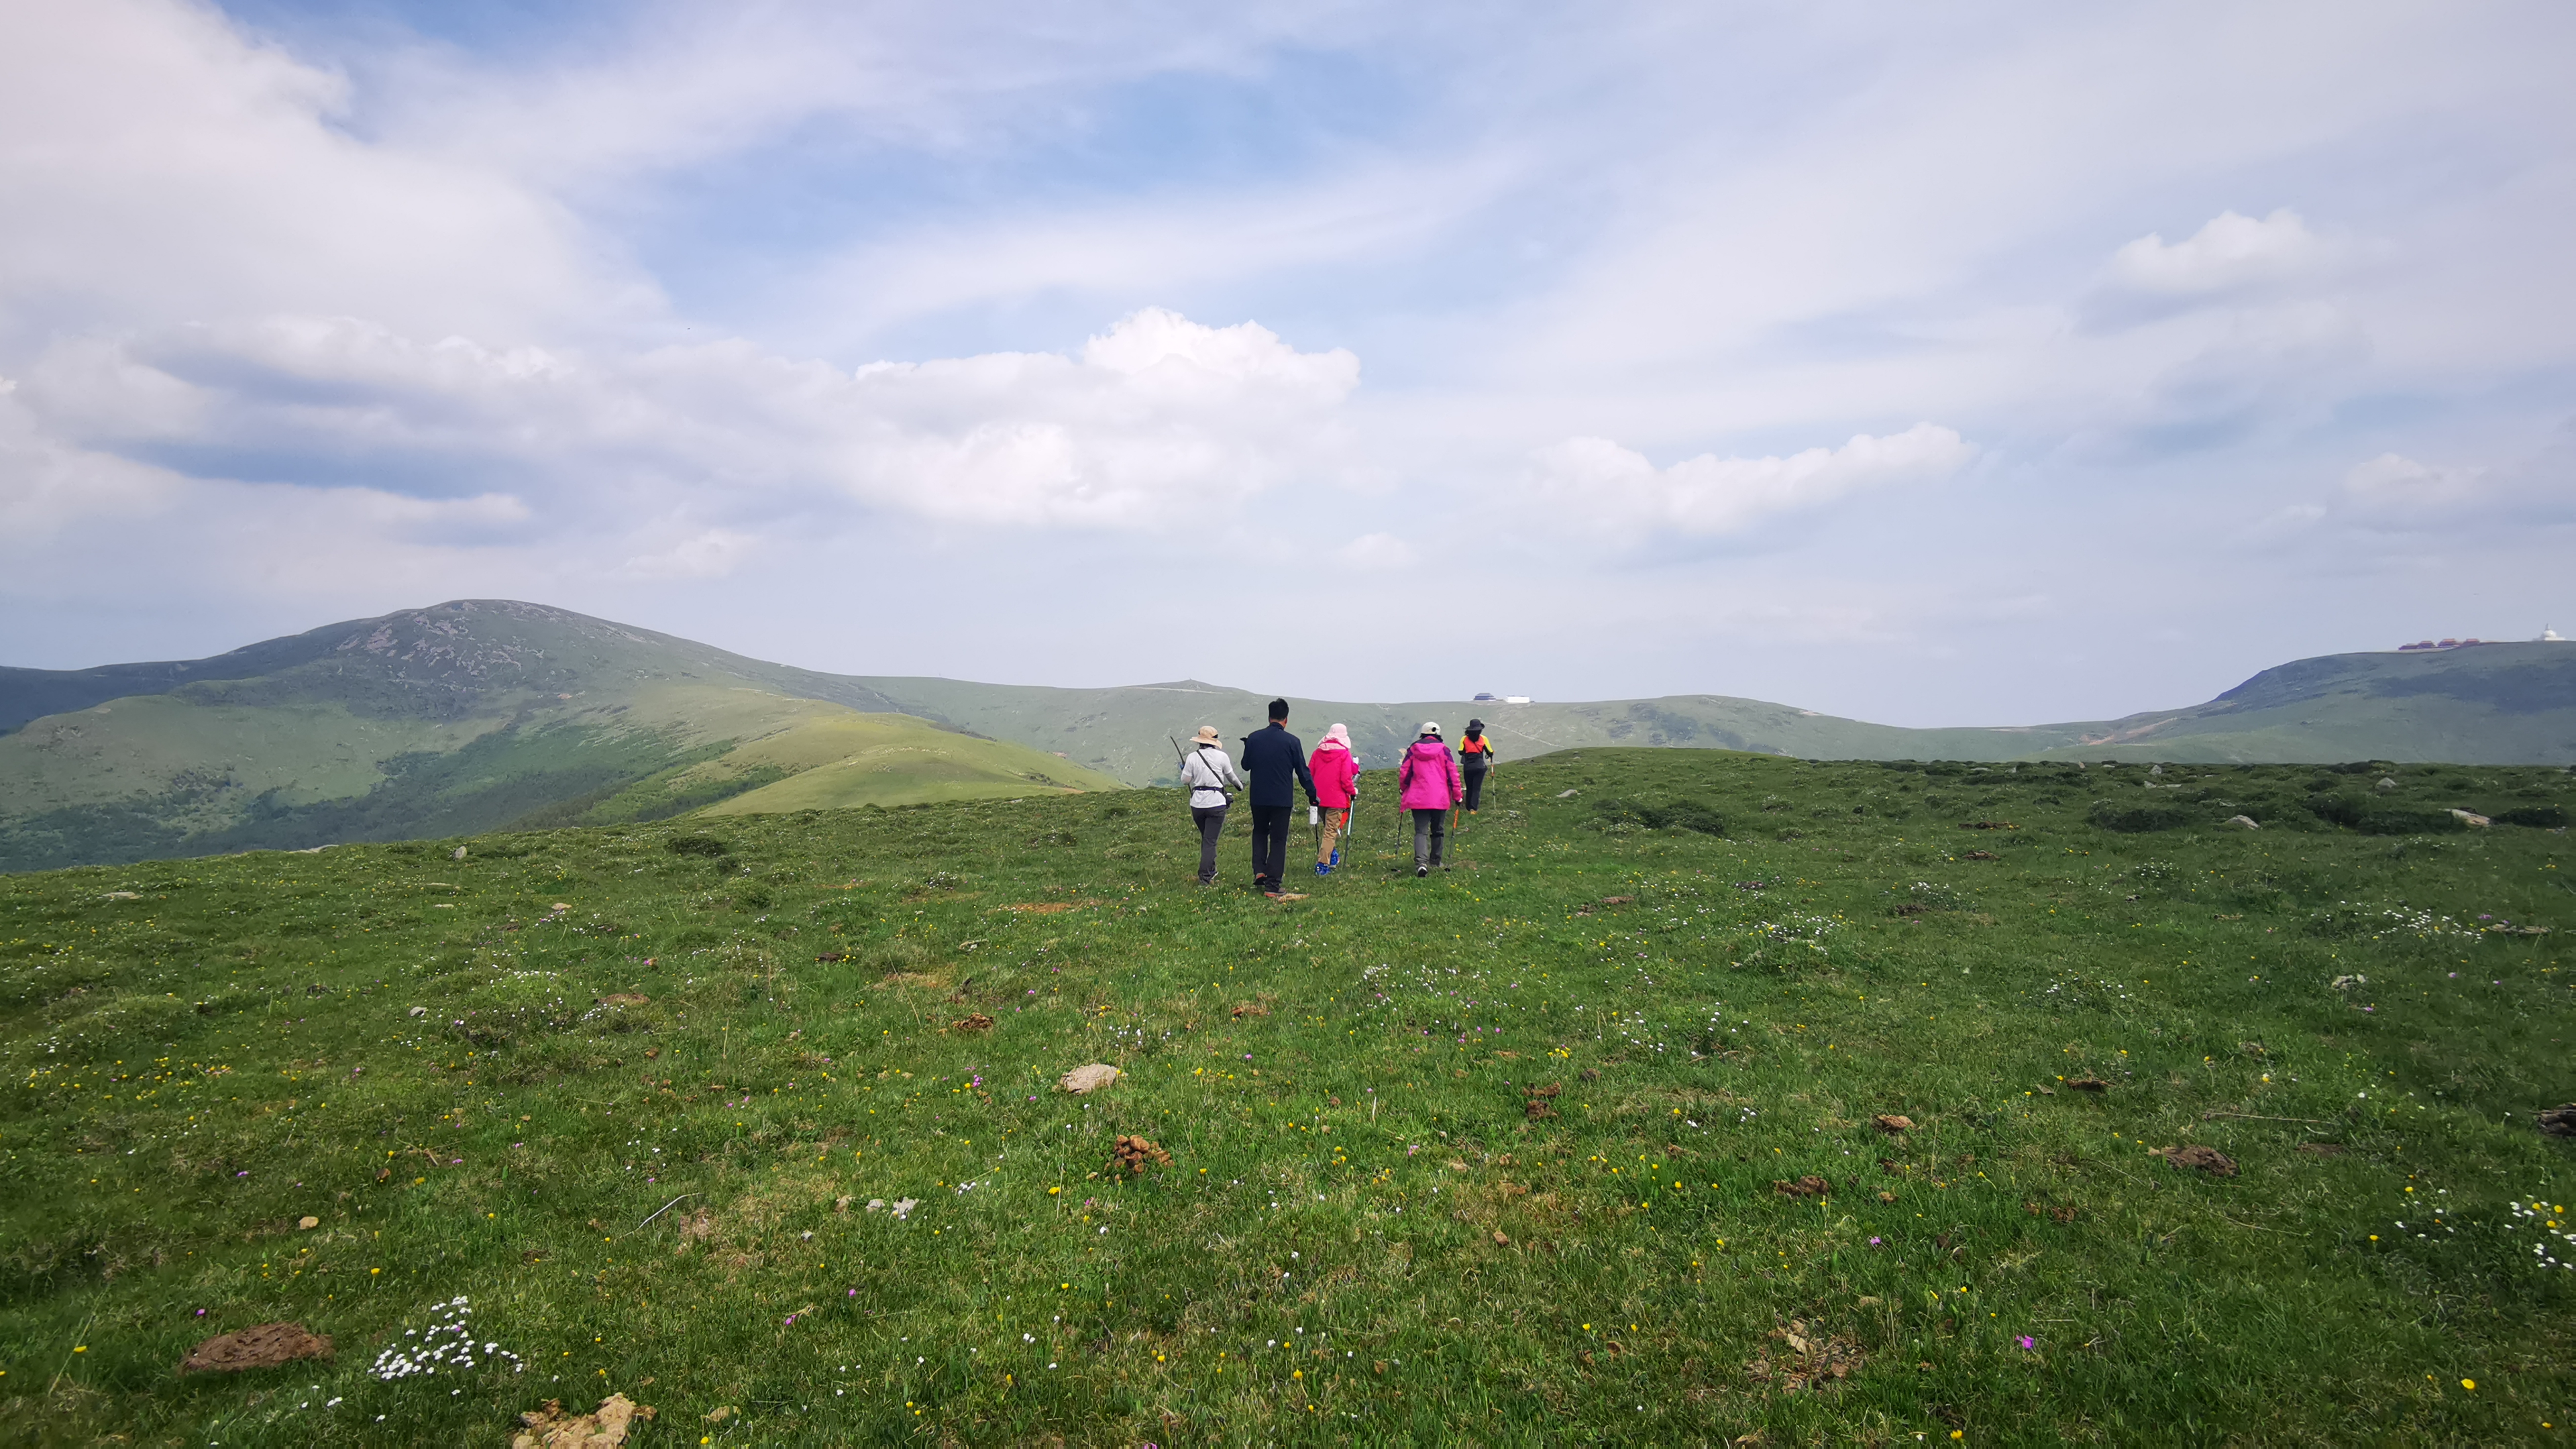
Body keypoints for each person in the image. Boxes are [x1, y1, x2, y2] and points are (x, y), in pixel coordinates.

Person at [1238, 698, 1318, 896]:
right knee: (1278, 839)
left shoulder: (1254, 738)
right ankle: (1273, 886)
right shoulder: (1292, 742)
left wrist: (1249, 746)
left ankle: (1260, 871)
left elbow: (1245, 765)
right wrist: (1312, 793)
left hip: (1258, 797)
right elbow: (1302, 772)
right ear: (1286, 719)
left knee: (1259, 832)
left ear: (1269, 717)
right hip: (1282, 799)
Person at [1177, 725, 1244, 885]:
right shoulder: (1222, 756)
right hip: (1216, 803)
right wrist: (1240, 787)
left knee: (1207, 839)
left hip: (1197, 805)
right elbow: (1231, 777)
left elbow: (1185, 781)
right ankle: (1205, 878)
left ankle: (1210, 871)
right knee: (1210, 841)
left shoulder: (1192, 757)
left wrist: (1184, 769)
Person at [1397, 721, 1463, 876]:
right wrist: (1458, 796)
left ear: (1423, 733)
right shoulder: (1444, 750)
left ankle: (1421, 864)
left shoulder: (1413, 750)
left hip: (1418, 797)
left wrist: (1403, 787)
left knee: (1421, 831)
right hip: (1440, 797)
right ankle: (1436, 861)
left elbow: (1405, 771)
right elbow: (1453, 774)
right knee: (1438, 830)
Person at [1307, 722, 1358, 875]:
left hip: (1319, 798)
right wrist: (1352, 792)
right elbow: (1346, 779)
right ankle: (1322, 865)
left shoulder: (1317, 752)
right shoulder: (1344, 754)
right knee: (1330, 832)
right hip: (1337, 799)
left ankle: (1332, 856)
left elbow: (1309, 773)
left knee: (1327, 830)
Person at [1459, 719, 1499, 814]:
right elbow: (1490, 752)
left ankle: (1468, 807)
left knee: (1469, 787)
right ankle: (1473, 809)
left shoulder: (1464, 739)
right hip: (1480, 766)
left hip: (1468, 766)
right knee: (1476, 788)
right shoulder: (1483, 739)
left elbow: (1460, 751)